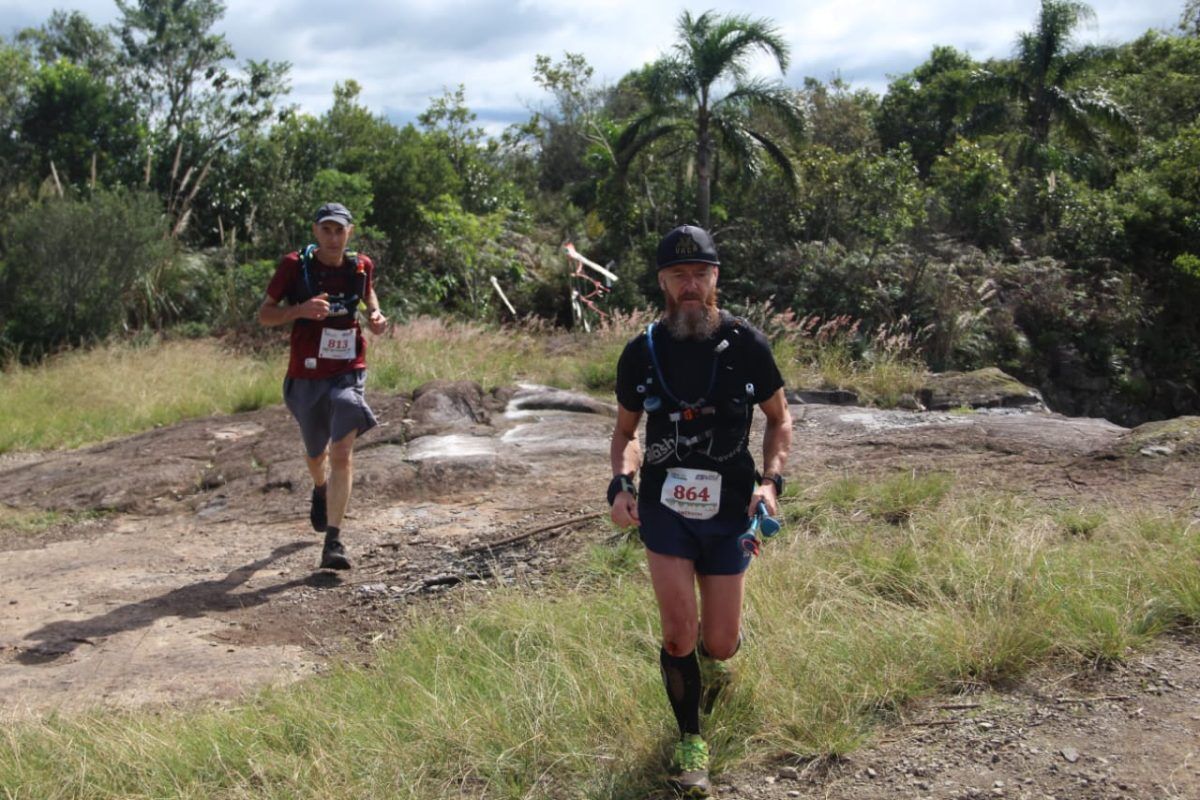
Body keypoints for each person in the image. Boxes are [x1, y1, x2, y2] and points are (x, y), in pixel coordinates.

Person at [608, 224, 792, 798]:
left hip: (731, 507)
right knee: (676, 634)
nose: (690, 285)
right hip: (664, 507)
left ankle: (715, 665)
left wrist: (771, 483)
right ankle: (691, 743)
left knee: (721, 644)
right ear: (663, 281)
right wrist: (621, 483)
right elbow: (624, 432)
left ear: (715, 277)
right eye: (678, 275)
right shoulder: (642, 351)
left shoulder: (746, 344)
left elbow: (780, 420)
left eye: (700, 274)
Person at [258, 202, 388, 571]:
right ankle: (319, 489)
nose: (334, 237)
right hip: (306, 373)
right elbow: (265, 314)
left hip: (348, 368)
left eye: (340, 230)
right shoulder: (293, 266)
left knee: (342, 452)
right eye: (326, 230)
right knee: (317, 455)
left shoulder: (361, 265)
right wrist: (298, 310)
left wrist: (374, 315)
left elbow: (368, 295)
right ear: (316, 232)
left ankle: (334, 541)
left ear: (350, 232)